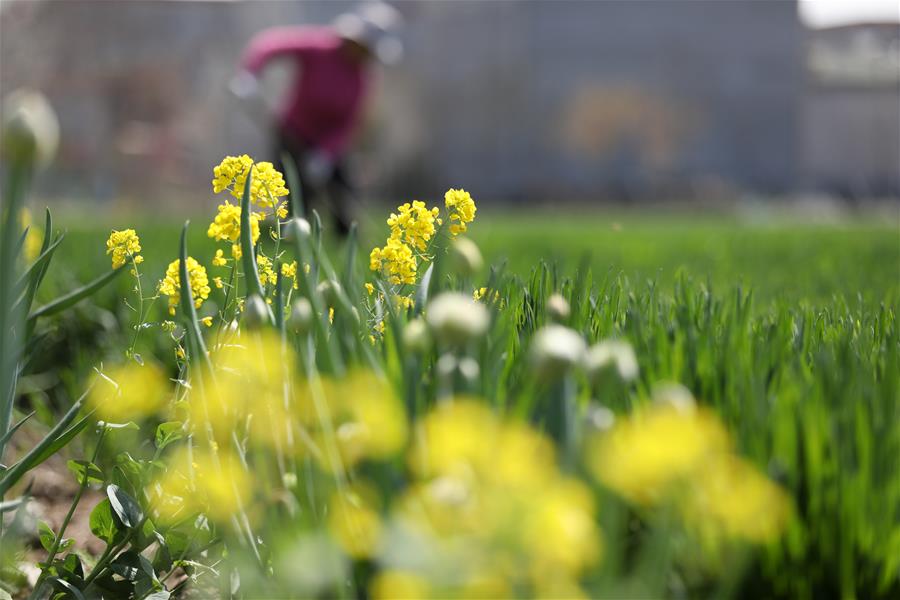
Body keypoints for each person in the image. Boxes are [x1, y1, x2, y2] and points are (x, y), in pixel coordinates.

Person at [231, 2, 403, 234]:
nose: (365, 55)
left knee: (343, 197)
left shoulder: (363, 78)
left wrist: (325, 154)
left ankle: (347, 241)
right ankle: (293, 246)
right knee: (299, 195)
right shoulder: (319, 47)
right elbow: (267, 44)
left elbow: (348, 123)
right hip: (292, 133)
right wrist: (250, 73)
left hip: (328, 146)